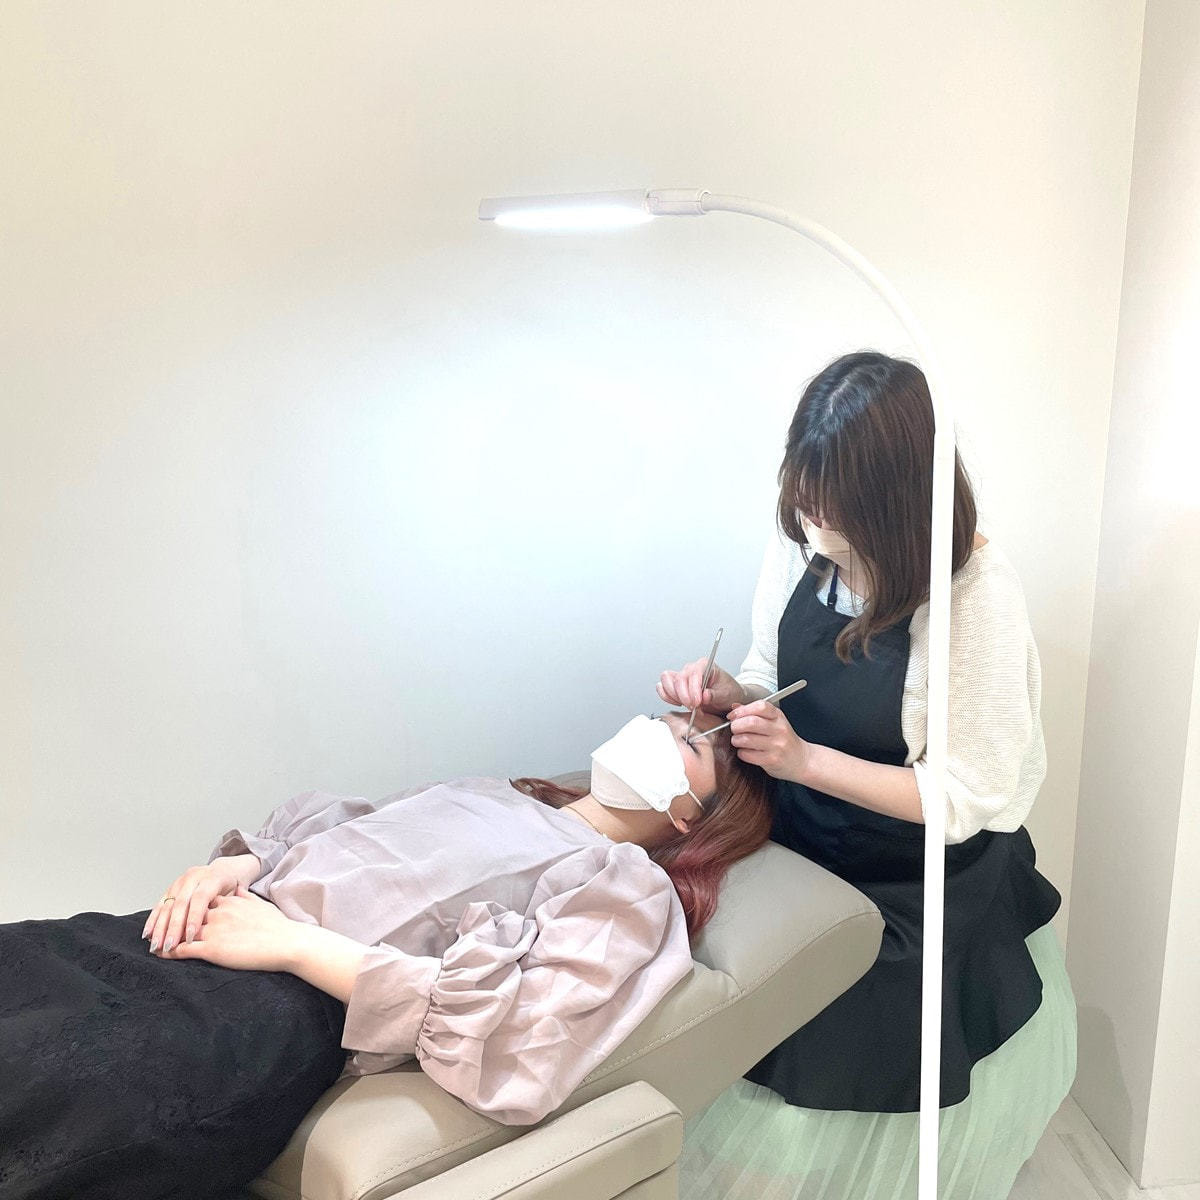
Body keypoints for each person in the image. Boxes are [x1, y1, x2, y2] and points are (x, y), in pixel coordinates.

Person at [0, 709, 771, 1200]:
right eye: (661, 715)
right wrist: (237, 866)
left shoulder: (624, 888)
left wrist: (294, 945)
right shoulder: (497, 792)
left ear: (691, 815)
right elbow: (336, 831)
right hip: (191, 925)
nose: (653, 726)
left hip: (271, 1004)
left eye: (683, 741)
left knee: (39, 1078)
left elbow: (524, 1038)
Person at [659, 351, 1077, 1200]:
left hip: (916, 875)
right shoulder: (806, 541)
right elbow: (774, 668)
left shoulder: (974, 597)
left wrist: (804, 760)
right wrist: (734, 694)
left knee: (848, 1049)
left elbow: (964, 795)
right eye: (803, 498)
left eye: (830, 507)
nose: (811, 523)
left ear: (895, 502)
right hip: (806, 839)